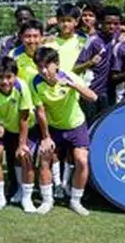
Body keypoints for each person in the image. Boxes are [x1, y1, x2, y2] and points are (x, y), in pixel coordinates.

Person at [31, 48, 98, 216]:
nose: (44, 70)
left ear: (57, 64)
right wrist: (46, 137)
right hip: (53, 127)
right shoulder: (35, 83)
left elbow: (93, 97)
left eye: (47, 66)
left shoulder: (69, 76)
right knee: (45, 158)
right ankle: (47, 201)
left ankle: (76, 201)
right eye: (39, 66)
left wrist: (71, 84)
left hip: (76, 125)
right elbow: (40, 112)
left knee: (81, 161)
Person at [0, 57, 37, 212]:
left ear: (15, 76)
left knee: (25, 156)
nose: (5, 82)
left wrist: (22, 144)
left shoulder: (22, 87)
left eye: (9, 77)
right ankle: (0, 199)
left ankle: (26, 198)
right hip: (3, 131)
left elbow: (24, 118)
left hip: (23, 128)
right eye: (0, 77)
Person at [75, 6, 121, 124]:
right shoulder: (93, 41)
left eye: (116, 24)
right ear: (101, 23)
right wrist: (90, 63)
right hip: (91, 93)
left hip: (108, 93)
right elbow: (75, 69)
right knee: (91, 126)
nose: (112, 26)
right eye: (108, 23)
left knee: (105, 125)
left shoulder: (117, 37)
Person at [51, 4, 89, 73]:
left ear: (76, 22)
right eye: (62, 21)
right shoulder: (50, 41)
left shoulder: (82, 41)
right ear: (57, 21)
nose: (65, 24)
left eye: (69, 21)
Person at [9, 20, 46, 86]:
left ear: (42, 37)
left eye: (35, 36)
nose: (31, 41)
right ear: (21, 37)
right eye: (28, 36)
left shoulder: (48, 54)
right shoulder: (13, 55)